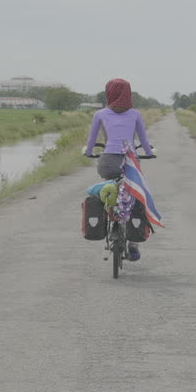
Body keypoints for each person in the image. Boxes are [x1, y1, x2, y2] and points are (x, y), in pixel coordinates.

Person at [84, 78, 153, 261]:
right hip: (130, 163)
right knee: (136, 195)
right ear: (128, 94)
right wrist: (149, 152)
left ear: (109, 93)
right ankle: (133, 245)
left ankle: (108, 215)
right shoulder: (135, 114)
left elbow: (91, 140)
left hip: (107, 162)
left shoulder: (100, 114)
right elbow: (143, 140)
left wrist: (89, 152)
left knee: (109, 188)